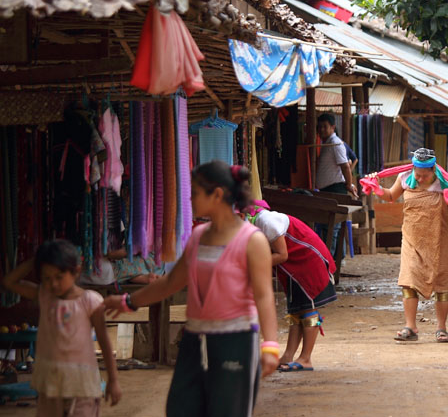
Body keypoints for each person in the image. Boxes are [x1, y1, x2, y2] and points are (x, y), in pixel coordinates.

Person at [104, 162, 279, 416]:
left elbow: (264, 296)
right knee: (180, 409)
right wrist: (128, 302)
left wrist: (270, 345)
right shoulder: (197, 237)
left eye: (195, 193)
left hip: (236, 340)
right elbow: (171, 282)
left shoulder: (253, 241)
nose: (189, 199)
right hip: (194, 339)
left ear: (217, 195)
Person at [3, 239, 122, 416]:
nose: (53, 284)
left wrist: (113, 380)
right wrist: (36, 259)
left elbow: (105, 342)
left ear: (76, 271)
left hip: (82, 387)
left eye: (59, 277)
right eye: (47, 278)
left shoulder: (90, 301)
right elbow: (9, 282)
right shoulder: (44, 295)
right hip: (50, 385)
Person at [365, 148, 448, 343]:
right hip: (411, 238)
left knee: (440, 282)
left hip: (438, 239)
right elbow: (390, 196)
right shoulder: (405, 177)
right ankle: (410, 327)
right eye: (417, 175)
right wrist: (376, 186)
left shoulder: (444, 181)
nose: (420, 179)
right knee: (408, 278)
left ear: (433, 171)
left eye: (424, 176)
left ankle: (441, 328)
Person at [244, 201, 337, 372]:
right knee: (296, 312)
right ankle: (288, 355)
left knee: (308, 310)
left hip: (308, 262)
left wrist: (252, 267)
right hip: (295, 267)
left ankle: (306, 358)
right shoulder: (257, 223)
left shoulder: (266, 222)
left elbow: (282, 254)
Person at [315, 113, 357, 197]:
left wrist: (349, 185)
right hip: (328, 190)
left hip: (335, 190)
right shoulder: (327, 143)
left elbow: (345, 166)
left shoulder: (335, 143)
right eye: (319, 127)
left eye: (325, 126)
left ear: (333, 127)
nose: (321, 129)